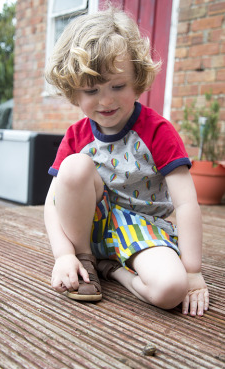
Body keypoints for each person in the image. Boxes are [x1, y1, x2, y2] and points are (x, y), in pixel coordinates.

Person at [43, 7, 208, 316]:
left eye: (117, 86)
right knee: (75, 166)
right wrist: (63, 254)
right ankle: (86, 261)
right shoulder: (76, 135)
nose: (106, 100)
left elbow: (186, 204)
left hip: (143, 229)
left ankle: (113, 271)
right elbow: (52, 204)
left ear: (137, 80)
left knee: (171, 290)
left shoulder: (158, 131)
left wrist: (193, 272)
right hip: (87, 230)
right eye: (92, 90)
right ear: (74, 92)